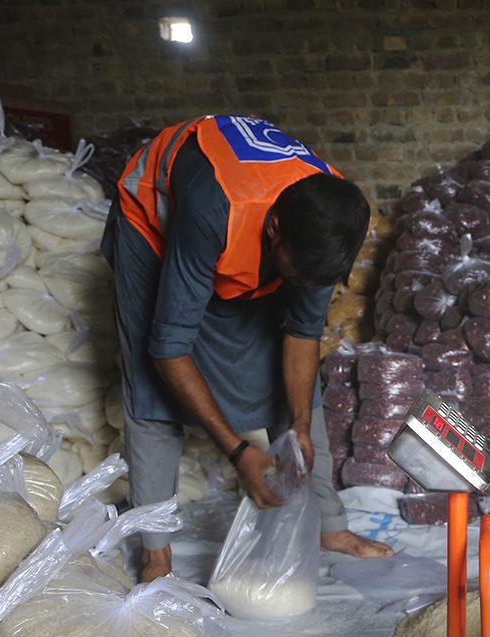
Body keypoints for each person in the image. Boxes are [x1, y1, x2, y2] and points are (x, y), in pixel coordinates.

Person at [103, 114, 391, 583]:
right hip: (152, 222)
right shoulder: (212, 209)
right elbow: (169, 347)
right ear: (274, 228)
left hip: (255, 228)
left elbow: (301, 333)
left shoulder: (329, 222)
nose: (298, 286)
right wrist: (239, 452)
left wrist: (298, 424)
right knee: (150, 389)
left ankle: (330, 526)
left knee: (293, 394)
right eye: (295, 276)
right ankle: (156, 550)